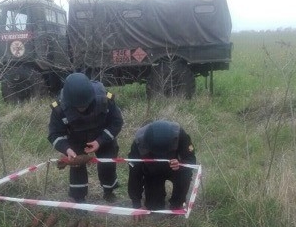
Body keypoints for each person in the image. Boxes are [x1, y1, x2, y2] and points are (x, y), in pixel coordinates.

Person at [48, 73, 123, 203]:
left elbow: (116, 122)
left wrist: (100, 141)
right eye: (78, 107)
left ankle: (109, 191)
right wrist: (67, 149)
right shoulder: (59, 108)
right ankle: (78, 198)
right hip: (76, 138)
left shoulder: (105, 98)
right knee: (77, 166)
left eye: (85, 105)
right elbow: (54, 134)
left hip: (101, 135)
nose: (82, 109)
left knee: (107, 163)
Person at [127, 120, 196, 211]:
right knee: (154, 208)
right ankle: (155, 200)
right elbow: (134, 174)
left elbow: (191, 160)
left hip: (175, 170)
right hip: (152, 172)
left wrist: (181, 164)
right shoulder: (139, 142)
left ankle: (177, 203)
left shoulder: (179, 134)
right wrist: (136, 204)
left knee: (185, 174)